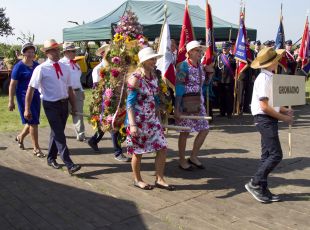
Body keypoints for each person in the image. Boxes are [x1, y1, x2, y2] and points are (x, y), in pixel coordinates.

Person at [24, 39, 81, 175]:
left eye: (57, 50)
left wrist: (73, 107)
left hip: (63, 104)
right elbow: (31, 90)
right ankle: (69, 163)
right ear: (47, 52)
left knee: (56, 132)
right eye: (53, 50)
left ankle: (50, 158)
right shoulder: (41, 69)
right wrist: (27, 108)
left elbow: (70, 89)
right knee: (60, 134)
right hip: (50, 105)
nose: (56, 52)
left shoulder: (65, 67)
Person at [245, 47, 293, 203]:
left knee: (266, 155)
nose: (278, 62)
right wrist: (283, 117)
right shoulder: (264, 79)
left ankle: (263, 189)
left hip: (267, 118)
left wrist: (284, 110)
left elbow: (272, 103)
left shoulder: (269, 77)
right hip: (264, 119)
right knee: (275, 154)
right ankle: (255, 183)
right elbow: (264, 106)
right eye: (276, 60)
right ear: (272, 62)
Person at [126, 47, 174, 190]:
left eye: (155, 59)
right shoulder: (135, 78)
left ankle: (159, 179)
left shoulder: (153, 76)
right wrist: (133, 125)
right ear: (144, 61)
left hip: (153, 120)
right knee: (138, 152)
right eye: (152, 59)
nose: (154, 61)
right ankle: (137, 179)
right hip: (139, 122)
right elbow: (129, 104)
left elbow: (155, 99)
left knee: (162, 147)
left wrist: (159, 117)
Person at [87, 44, 129, 162]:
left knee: (108, 124)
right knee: (113, 124)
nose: (111, 56)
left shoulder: (116, 67)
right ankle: (117, 152)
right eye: (108, 53)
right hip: (106, 101)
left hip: (119, 99)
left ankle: (94, 140)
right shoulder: (98, 69)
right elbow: (97, 87)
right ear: (103, 54)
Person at [175, 40, 209, 170]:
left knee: (205, 129)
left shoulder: (200, 66)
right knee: (185, 132)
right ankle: (182, 160)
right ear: (189, 53)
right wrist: (177, 108)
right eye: (196, 50)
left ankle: (193, 156)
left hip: (198, 103)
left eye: (200, 50)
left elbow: (202, 84)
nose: (200, 53)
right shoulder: (183, 66)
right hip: (185, 103)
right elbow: (179, 88)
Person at [8, 43, 45, 157]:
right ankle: (36, 148)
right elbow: (12, 85)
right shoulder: (18, 67)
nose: (30, 54)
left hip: (36, 96)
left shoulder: (36, 65)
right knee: (33, 122)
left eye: (32, 52)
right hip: (23, 97)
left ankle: (20, 137)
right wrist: (11, 101)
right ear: (23, 53)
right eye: (28, 52)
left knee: (31, 121)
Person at [59, 42, 86, 142]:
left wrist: (81, 90)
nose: (75, 53)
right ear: (66, 52)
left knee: (78, 113)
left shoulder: (76, 64)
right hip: (65, 93)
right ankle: (58, 133)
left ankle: (81, 135)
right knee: (63, 114)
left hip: (77, 92)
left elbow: (77, 80)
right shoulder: (61, 64)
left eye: (75, 51)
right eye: (73, 51)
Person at [215, 41, 236, 118]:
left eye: (226, 48)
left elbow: (235, 69)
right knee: (221, 97)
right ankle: (222, 112)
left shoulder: (233, 57)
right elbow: (216, 69)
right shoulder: (219, 57)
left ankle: (229, 113)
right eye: (223, 48)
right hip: (220, 80)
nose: (224, 49)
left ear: (229, 48)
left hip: (229, 80)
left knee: (229, 97)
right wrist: (216, 79)